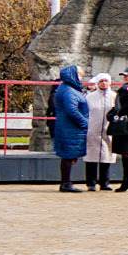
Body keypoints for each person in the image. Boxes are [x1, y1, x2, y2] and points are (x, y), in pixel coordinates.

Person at [51, 65, 89, 193]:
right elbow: (71, 110)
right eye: (79, 75)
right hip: (70, 127)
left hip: (68, 126)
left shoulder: (66, 88)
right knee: (68, 155)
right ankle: (66, 183)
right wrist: (84, 122)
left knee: (68, 155)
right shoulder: (69, 90)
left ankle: (66, 182)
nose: (81, 77)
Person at [83, 73, 115, 191]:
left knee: (106, 156)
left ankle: (104, 182)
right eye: (101, 81)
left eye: (106, 81)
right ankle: (91, 182)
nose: (104, 83)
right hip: (93, 128)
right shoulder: (90, 97)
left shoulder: (114, 96)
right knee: (91, 156)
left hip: (108, 129)